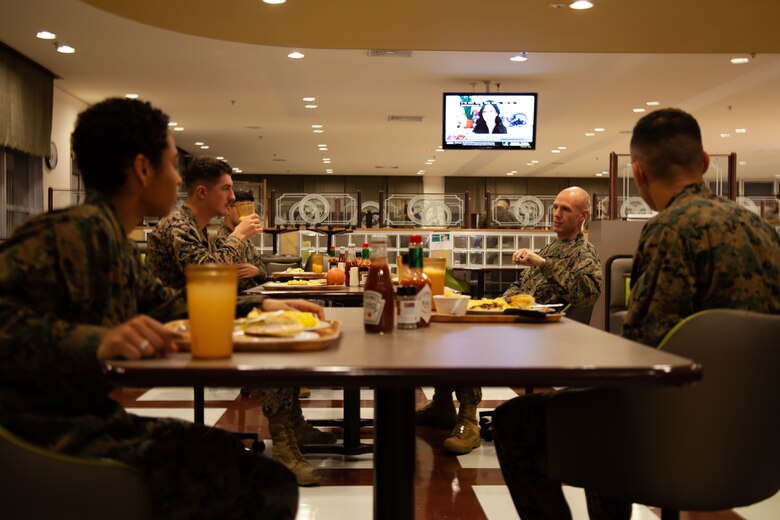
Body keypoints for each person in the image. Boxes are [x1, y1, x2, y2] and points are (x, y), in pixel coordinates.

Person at [0, 97, 302, 518]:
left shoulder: (110, 240)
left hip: (88, 419)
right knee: (265, 485)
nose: (178, 178)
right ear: (143, 169)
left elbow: (173, 308)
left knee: (233, 458)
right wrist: (97, 340)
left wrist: (264, 307)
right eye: (174, 165)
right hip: (37, 433)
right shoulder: (70, 233)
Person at [491, 108, 780, 519]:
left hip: (676, 431)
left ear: (638, 174)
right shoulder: (762, 231)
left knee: (515, 422)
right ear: (704, 163)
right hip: (755, 437)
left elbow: (645, 353)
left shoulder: (671, 230)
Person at [146, 156, 334, 486]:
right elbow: (208, 276)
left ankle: (294, 424)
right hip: (178, 327)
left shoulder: (198, 229)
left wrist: (265, 304)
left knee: (285, 333)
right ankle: (285, 448)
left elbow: (220, 285)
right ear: (202, 192)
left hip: (204, 318)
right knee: (272, 348)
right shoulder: (178, 226)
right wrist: (239, 236)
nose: (233, 197)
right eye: (227, 189)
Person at [418, 187, 603, 455]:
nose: (557, 214)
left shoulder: (584, 252)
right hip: (517, 319)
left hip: (540, 331)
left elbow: (587, 294)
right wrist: (497, 305)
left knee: (462, 339)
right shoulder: (552, 246)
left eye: (566, 210)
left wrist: (542, 263)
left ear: (583, 215)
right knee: (447, 324)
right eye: (556, 207)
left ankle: (468, 420)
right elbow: (522, 286)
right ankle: (443, 404)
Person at [214, 190, 268, 292]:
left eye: (250, 208)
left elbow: (262, 268)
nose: (248, 215)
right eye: (243, 207)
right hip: (239, 300)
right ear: (228, 209)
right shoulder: (219, 239)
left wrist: (257, 271)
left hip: (255, 294)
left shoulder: (246, 239)